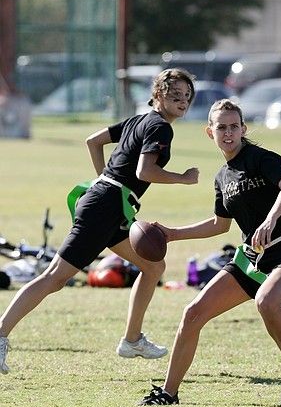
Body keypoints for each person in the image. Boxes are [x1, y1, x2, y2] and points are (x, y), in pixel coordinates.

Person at [0, 68, 199, 375]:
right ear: (158, 94)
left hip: (111, 204)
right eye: (175, 95)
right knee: (55, 277)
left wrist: (103, 179)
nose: (183, 101)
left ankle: (132, 340)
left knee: (153, 266)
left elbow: (93, 141)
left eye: (187, 96)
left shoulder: (139, 120)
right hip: (105, 206)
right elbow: (145, 172)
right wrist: (183, 179)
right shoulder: (160, 127)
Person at [139, 98, 281, 407]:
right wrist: (173, 234)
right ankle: (168, 393)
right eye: (221, 127)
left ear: (243, 128)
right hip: (251, 260)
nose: (228, 133)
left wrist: (270, 219)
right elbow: (220, 225)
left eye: (234, 126)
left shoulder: (262, 158)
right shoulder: (222, 177)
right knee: (192, 313)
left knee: (267, 301)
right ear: (210, 132)